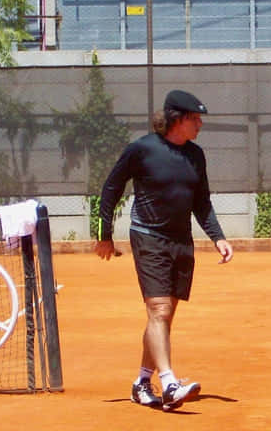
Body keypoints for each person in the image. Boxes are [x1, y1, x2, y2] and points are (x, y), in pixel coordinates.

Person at [94, 89, 234, 411]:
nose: (200, 125)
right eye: (195, 119)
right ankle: (170, 383)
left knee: (164, 317)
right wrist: (104, 233)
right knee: (158, 311)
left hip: (180, 242)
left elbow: (201, 202)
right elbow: (112, 187)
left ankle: (142, 382)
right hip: (148, 237)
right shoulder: (142, 150)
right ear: (177, 120)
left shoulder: (196, 155)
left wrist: (218, 236)